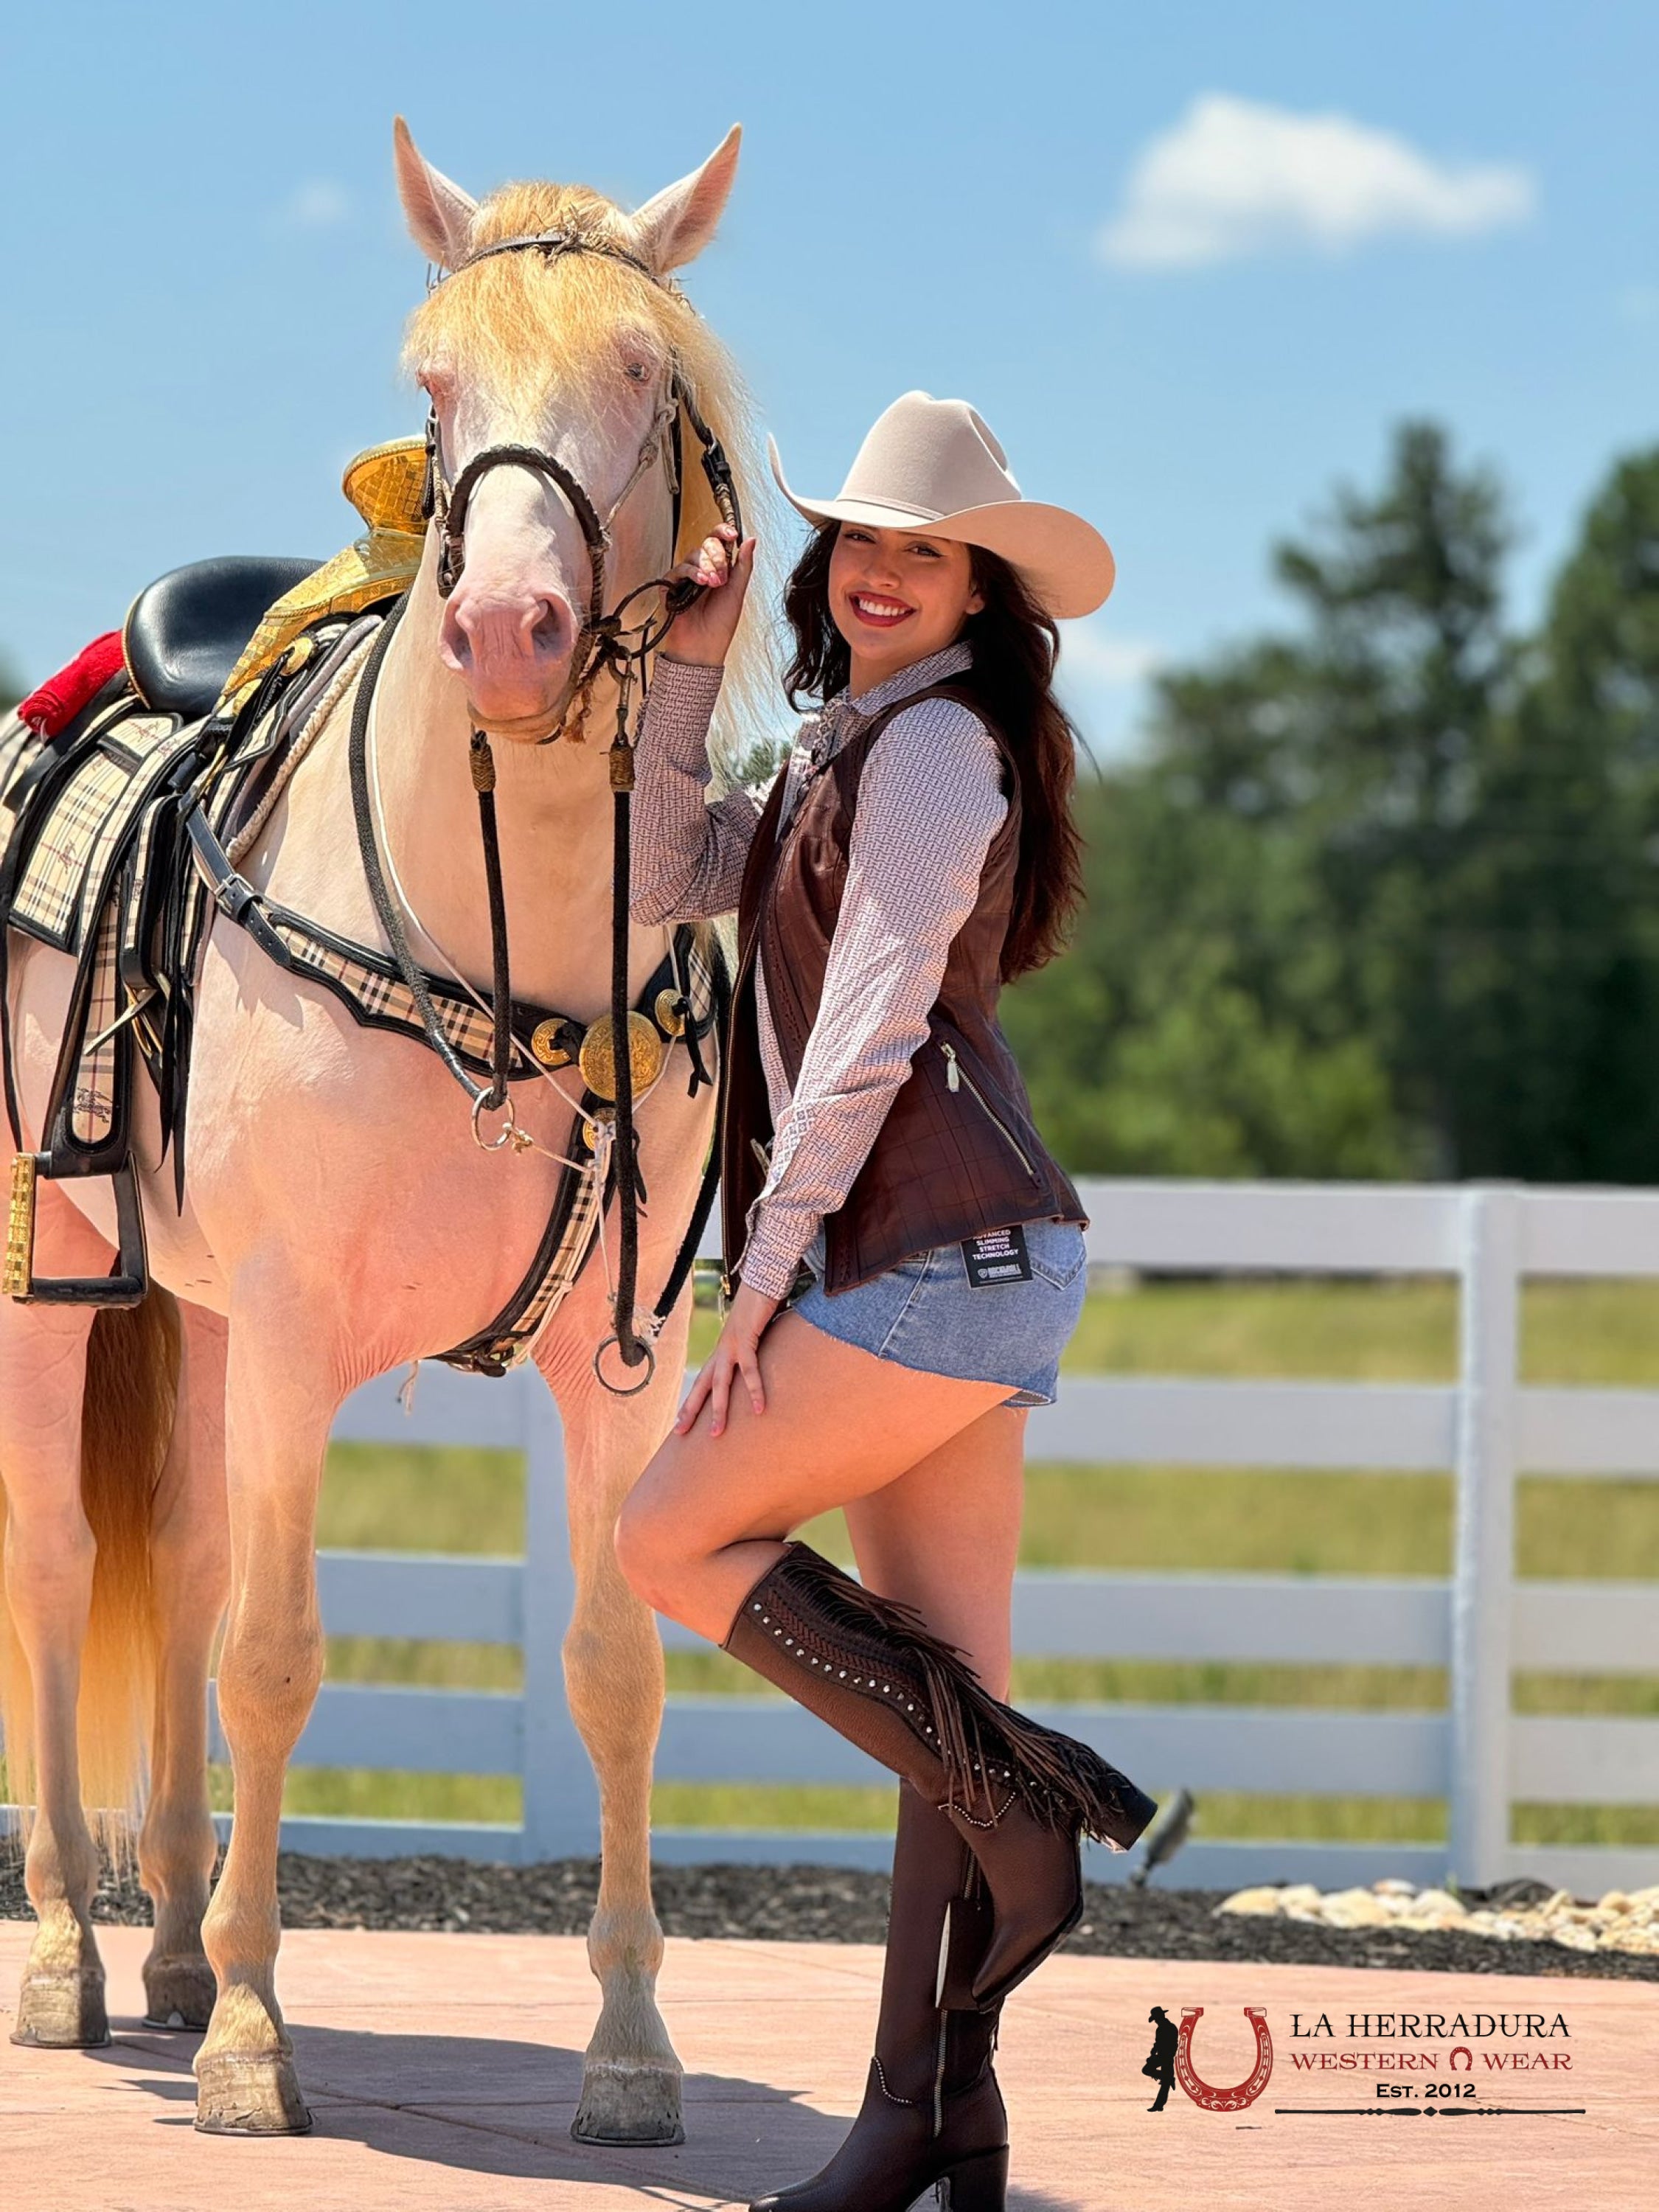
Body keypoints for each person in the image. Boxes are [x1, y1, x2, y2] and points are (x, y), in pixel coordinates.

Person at [613, 392, 1157, 2212]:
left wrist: (756, 1274)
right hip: (956, 1264)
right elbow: (656, 879)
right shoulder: (840, 745)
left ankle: (1025, 1816)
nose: (878, 571)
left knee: (667, 1534)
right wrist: (689, 668)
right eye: (859, 541)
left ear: (978, 588)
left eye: (920, 548)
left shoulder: (931, 753)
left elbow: (864, 1031)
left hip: (936, 1263)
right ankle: (934, 2120)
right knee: (944, 1688)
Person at [1144, 2005, 1180, 2112]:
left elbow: (1171, 2044)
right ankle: (1159, 2105)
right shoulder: (1166, 2028)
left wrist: (1156, 2054)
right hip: (1165, 2056)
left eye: (1156, 2019)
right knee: (1165, 2083)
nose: (1155, 2021)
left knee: (1147, 2070)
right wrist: (1153, 2053)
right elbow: (1159, 2044)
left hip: (1166, 2056)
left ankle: (1159, 2104)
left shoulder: (1167, 2028)